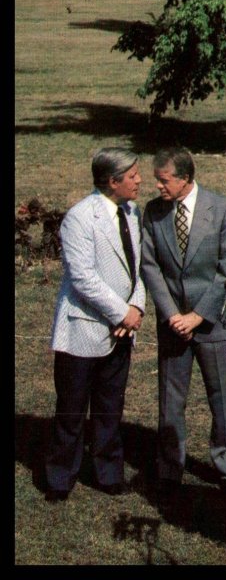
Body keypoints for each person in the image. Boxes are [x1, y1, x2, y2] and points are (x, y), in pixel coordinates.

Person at [45, 147, 145, 502]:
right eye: (132, 176)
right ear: (112, 181)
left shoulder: (132, 212)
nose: (139, 180)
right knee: (72, 410)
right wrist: (122, 313)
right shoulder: (79, 218)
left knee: (110, 406)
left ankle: (108, 472)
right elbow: (83, 278)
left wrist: (136, 306)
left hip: (120, 330)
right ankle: (60, 478)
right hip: (82, 330)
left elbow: (138, 268)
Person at [141, 147, 226, 502]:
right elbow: (150, 266)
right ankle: (170, 469)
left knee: (224, 400)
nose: (156, 186)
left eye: (163, 180)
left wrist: (199, 315)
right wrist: (172, 315)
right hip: (173, 324)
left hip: (213, 324)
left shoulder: (223, 209)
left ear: (185, 179)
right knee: (170, 400)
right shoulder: (153, 213)